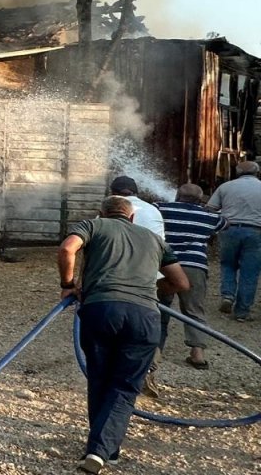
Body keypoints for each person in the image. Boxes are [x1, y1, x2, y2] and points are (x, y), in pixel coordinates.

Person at [58, 196, 189, 473]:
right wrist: (150, 294)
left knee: (100, 379)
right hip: (144, 318)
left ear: (101, 213)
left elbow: (68, 249)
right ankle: (104, 451)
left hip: (101, 309)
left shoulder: (94, 225)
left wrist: (68, 285)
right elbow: (180, 282)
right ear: (131, 218)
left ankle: (100, 450)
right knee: (125, 386)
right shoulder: (154, 239)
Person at [156, 184, 226, 368]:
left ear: (177, 195)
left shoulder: (160, 208)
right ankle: (198, 355)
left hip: (165, 264)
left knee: (160, 306)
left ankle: (155, 351)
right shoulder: (211, 217)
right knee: (194, 309)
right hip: (195, 265)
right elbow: (225, 224)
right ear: (201, 199)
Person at [206, 160, 261, 321]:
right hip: (255, 232)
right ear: (257, 172)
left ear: (237, 172)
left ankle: (228, 296)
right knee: (250, 271)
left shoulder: (226, 187)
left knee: (228, 264)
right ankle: (242, 312)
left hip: (228, 229)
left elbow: (210, 208)